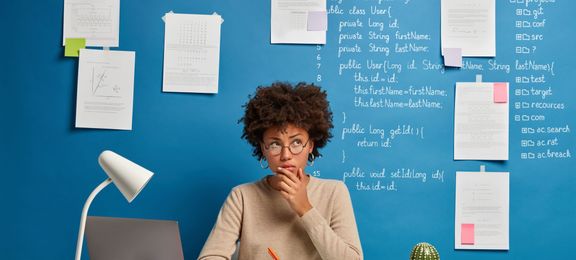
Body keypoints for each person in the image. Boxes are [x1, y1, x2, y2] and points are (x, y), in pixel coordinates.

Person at [198, 82, 362, 260]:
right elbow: (211, 256)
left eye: (296, 142)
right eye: (275, 144)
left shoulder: (334, 192)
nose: (286, 155)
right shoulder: (242, 197)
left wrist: (305, 209)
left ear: (310, 146)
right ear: (263, 148)